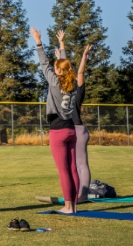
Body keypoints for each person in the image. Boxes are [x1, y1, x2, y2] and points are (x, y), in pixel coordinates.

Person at [31, 26, 81, 214]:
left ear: (59, 71)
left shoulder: (55, 82)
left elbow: (44, 63)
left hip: (58, 131)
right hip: (71, 130)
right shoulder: (73, 83)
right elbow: (66, 66)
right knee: (72, 168)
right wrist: (61, 45)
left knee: (63, 171)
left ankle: (68, 206)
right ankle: (74, 206)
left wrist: (38, 41)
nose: (53, 68)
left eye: (56, 68)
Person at [54, 30, 93, 202]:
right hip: (74, 129)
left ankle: (81, 195)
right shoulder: (70, 88)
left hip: (76, 129)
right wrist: (62, 46)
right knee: (74, 165)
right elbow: (69, 69)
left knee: (78, 165)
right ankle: (77, 194)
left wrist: (83, 56)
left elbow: (79, 73)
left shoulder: (75, 89)